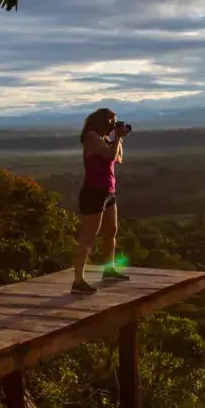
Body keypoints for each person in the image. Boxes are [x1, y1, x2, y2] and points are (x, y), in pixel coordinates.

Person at [71, 107, 133, 294]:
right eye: (111, 121)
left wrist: (118, 138)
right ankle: (78, 280)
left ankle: (109, 268)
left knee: (111, 232)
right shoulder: (91, 136)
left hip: (108, 192)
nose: (113, 125)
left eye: (116, 121)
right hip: (94, 192)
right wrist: (119, 138)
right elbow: (108, 155)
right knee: (89, 237)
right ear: (100, 120)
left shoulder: (105, 139)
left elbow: (118, 158)